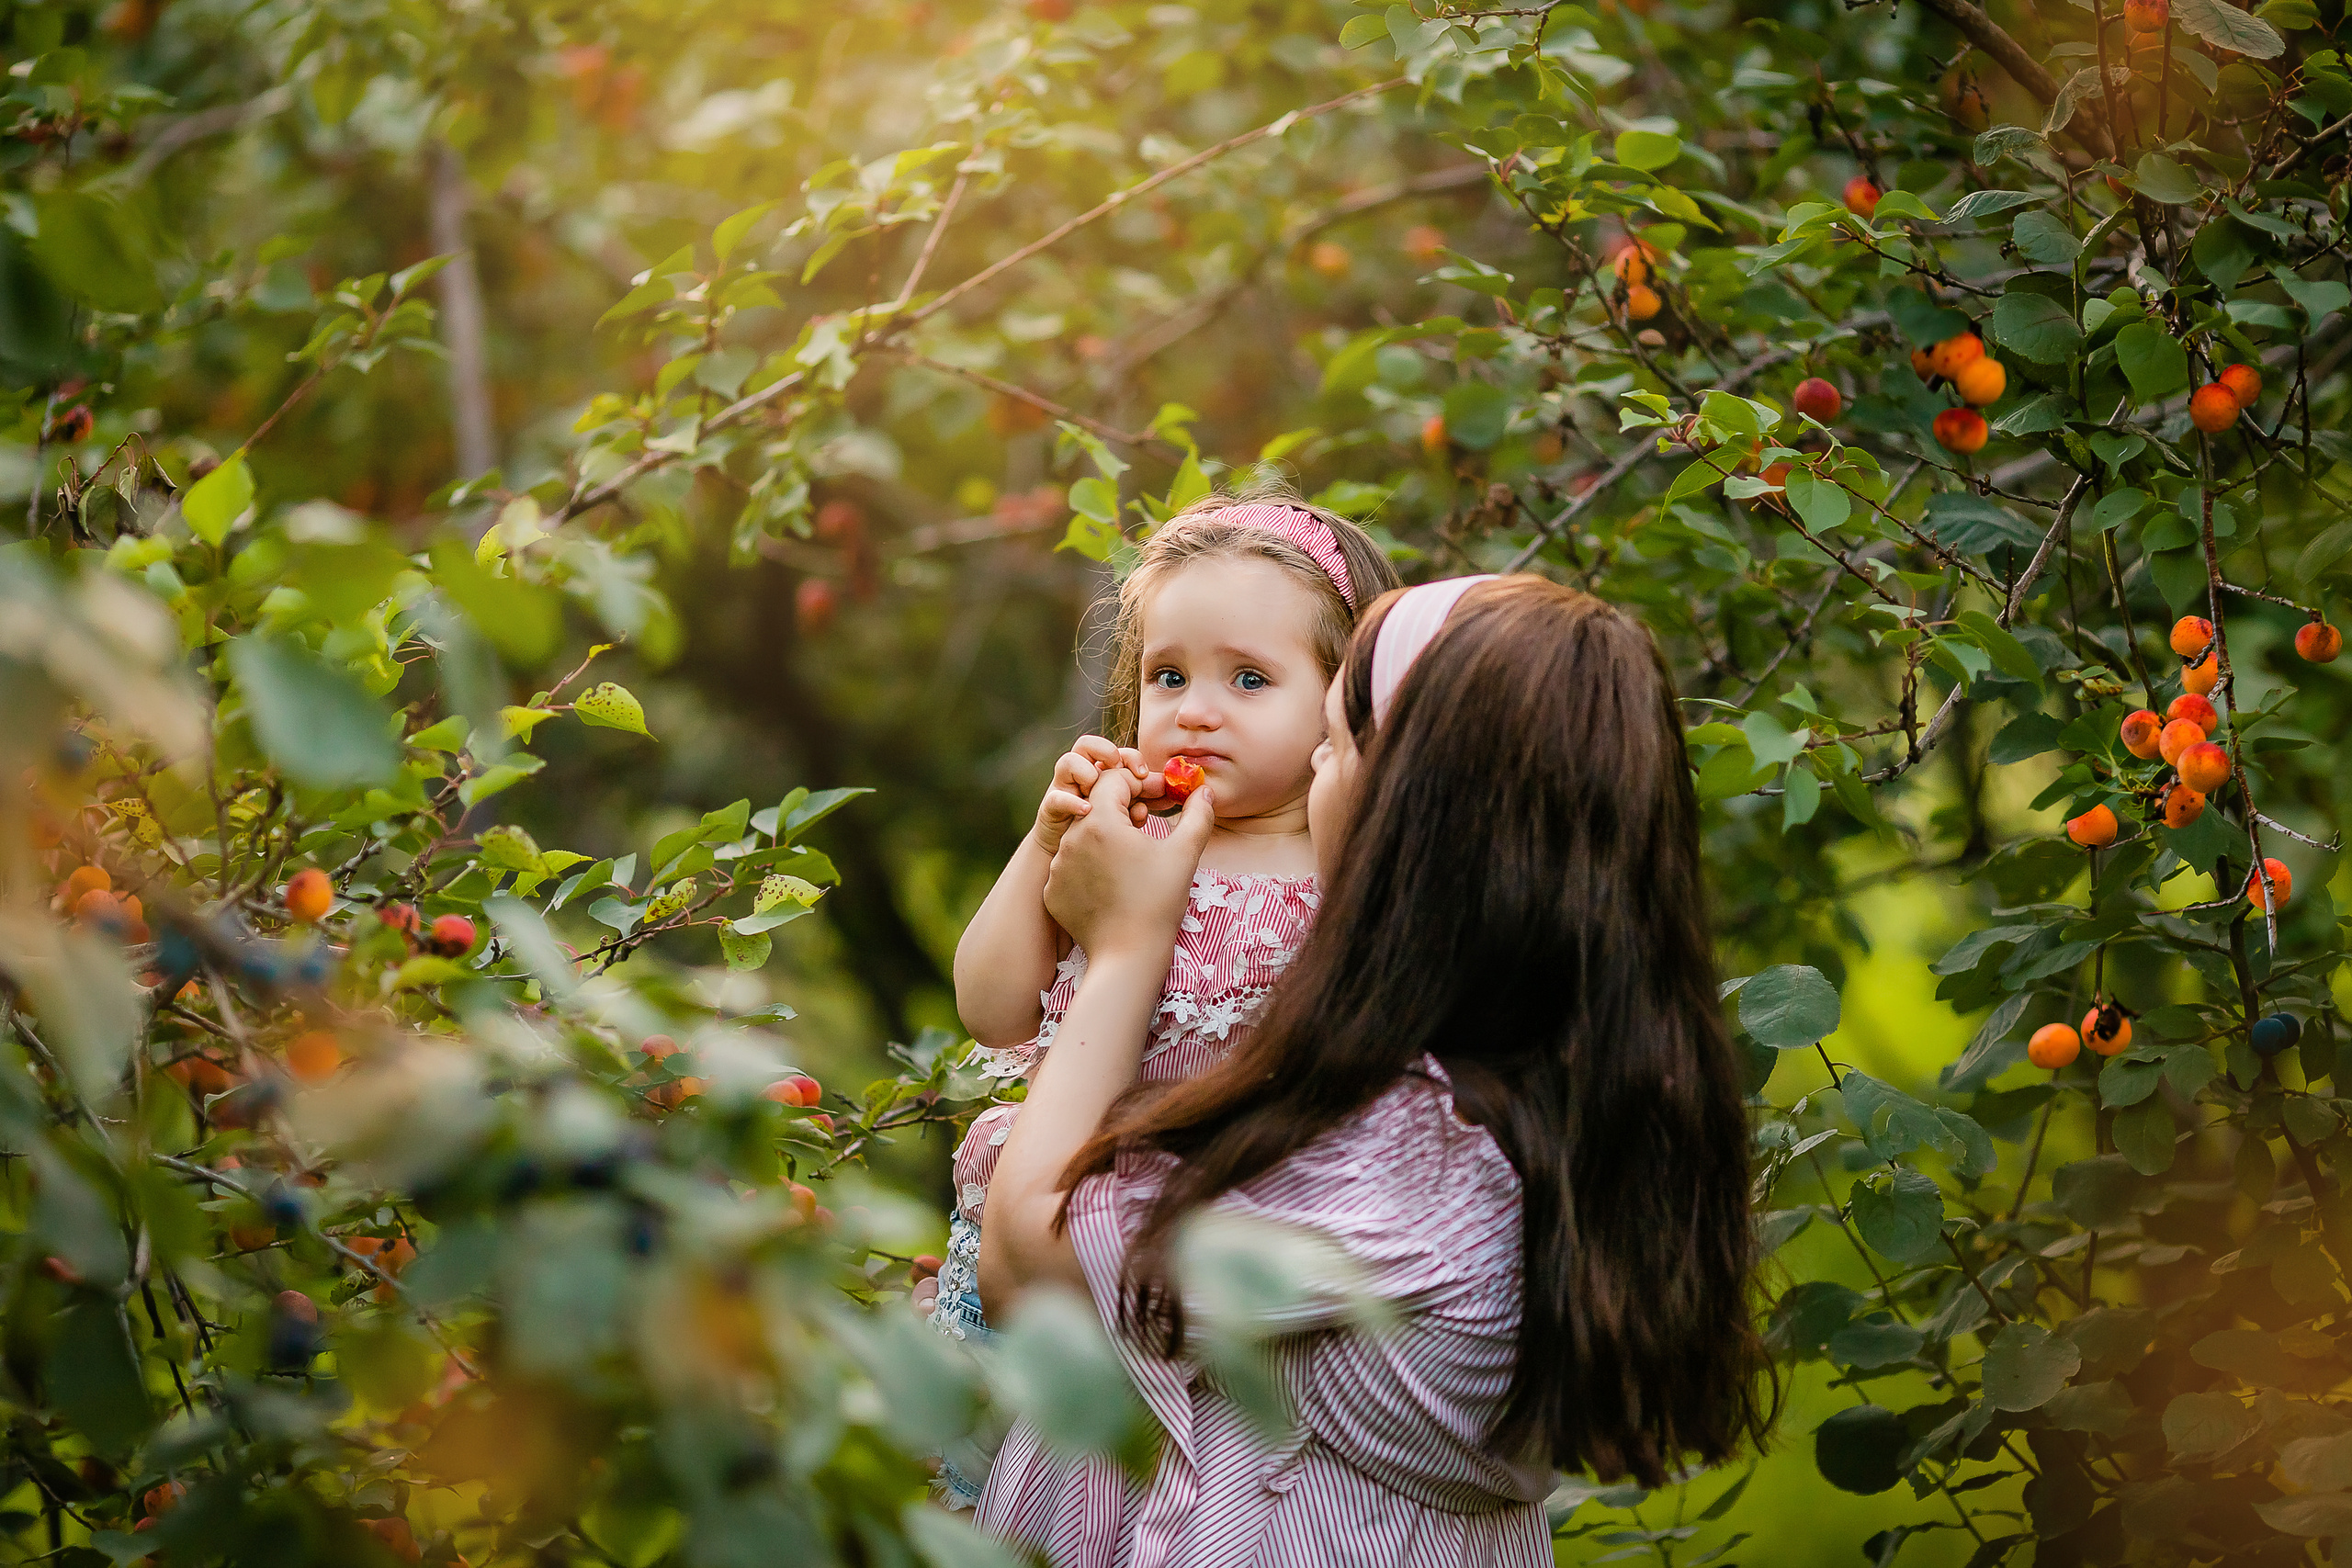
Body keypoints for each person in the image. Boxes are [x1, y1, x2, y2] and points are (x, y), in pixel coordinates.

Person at [976, 576, 1771, 1566]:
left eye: (1340, 741)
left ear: (1421, 806)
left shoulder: (1422, 1156)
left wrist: (1128, 945)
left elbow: (1029, 1273)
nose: (1315, 763)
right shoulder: (1524, 1064)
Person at [926, 494, 1400, 1505]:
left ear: (1342, 702)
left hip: (1184, 1280)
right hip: (1033, 1246)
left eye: (1249, 678)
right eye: (1168, 674)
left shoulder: (1342, 873)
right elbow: (993, 1006)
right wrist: (1045, 844)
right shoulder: (1123, 831)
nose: (1194, 708)